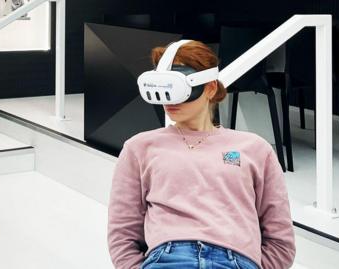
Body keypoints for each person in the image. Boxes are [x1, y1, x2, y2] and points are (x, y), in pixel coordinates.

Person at [107, 40, 296, 269]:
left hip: (236, 261)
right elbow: (122, 232)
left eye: (177, 88)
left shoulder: (255, 148)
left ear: (210, 88)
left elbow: (280, 238)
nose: (169, 99)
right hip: (168, 259)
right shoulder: (140, 147)